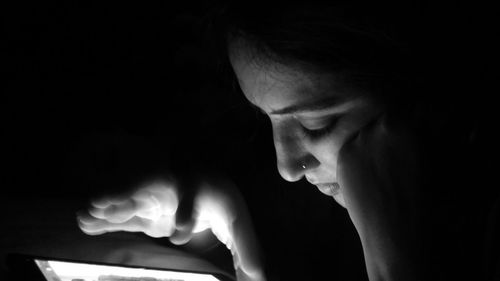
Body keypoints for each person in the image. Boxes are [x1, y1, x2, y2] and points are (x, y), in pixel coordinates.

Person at [77, 1, 499, 280]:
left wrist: (402, 264)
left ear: (434, 102)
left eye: (316, 125)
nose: (287, 167)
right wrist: (231, 222)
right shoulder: (320, 217)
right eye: (267, 120)